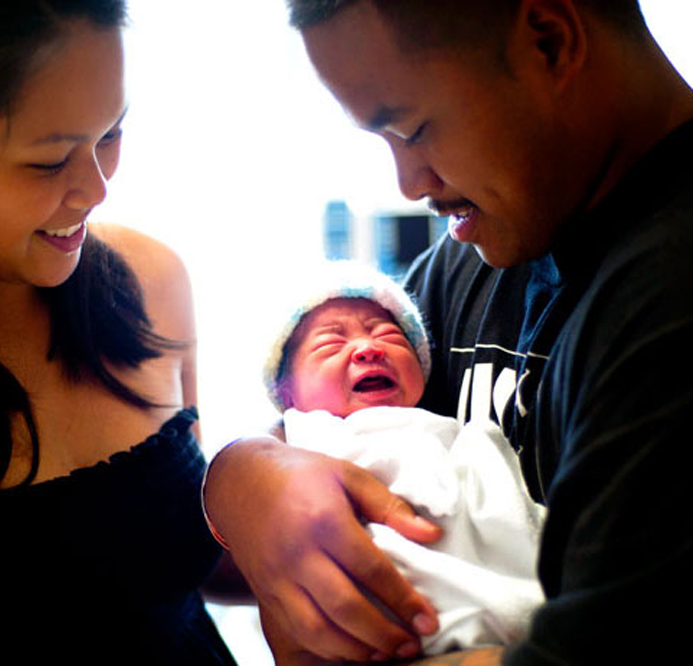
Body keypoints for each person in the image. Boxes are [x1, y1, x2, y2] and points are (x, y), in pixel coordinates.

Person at [202, 1, 693, 664]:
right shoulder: (469, 266)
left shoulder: (664, 302)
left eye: (414, 129)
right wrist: (245, 475)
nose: (410, 184)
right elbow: (331, 421)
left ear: (549, 43)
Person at [0, 2, 241, 662]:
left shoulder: (152, 280)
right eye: (50, 161)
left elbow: (170, 567)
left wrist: (276, 500)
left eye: (112, 133)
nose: (98, 187)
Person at [263, 260, 546, 661]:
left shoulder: (447, 428)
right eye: (331, 343)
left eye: (389, 334)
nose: (368, 347)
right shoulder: (308, 442)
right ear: (287, 393)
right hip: (395, 618)